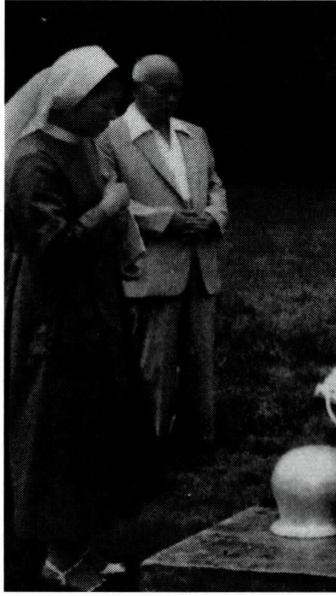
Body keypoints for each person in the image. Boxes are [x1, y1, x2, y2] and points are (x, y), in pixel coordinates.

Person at [5, 45, 140, 590]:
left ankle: (82, 542)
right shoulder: (33, 160)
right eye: (104, 104)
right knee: (55, 429)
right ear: (72, 99)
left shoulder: (81, 148)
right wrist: (107, 210)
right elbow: (51, 247)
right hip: (53, 314)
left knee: (92, 427)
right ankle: (55, 556)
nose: (112, 115)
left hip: (92, 309)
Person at [97, 55, 228, 450]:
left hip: (200, 265)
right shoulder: (111, 136)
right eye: (163, 91)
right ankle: (151, 446)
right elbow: (107, 198)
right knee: (154, 361)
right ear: (137, 89)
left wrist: (213, 217)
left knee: (201, 359)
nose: (172, 99)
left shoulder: (194, 133)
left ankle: (200, 439)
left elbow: (215, 185)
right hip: (150, 264)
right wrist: (164, 221)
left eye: (177, 91)